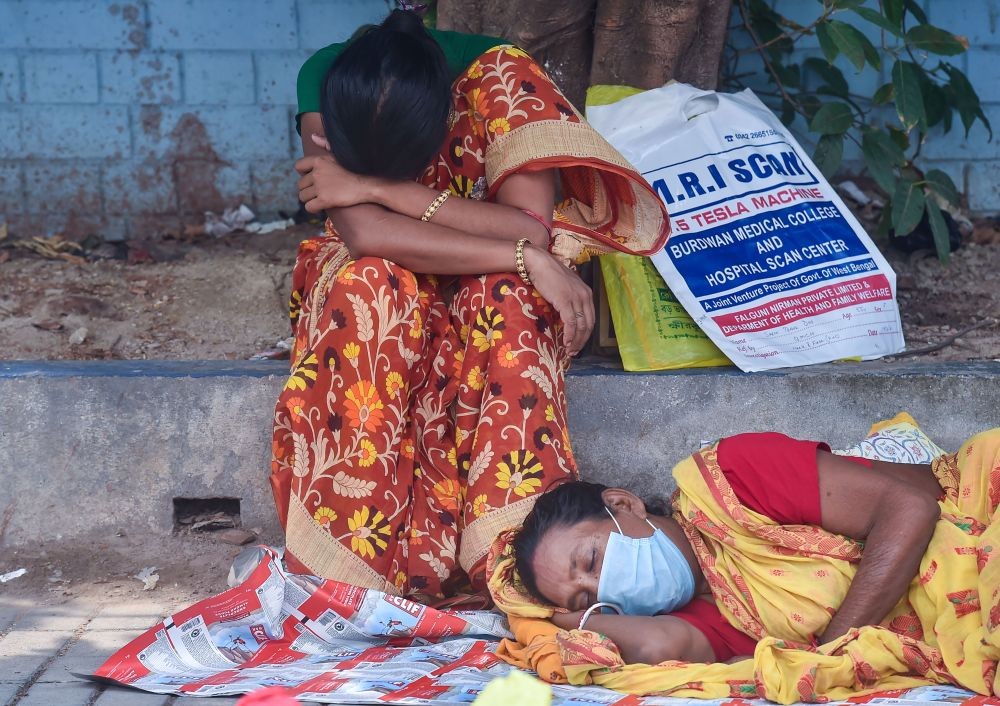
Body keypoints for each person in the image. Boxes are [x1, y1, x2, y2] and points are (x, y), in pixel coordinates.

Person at [270, 10, 669, 601]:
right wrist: (520, 254)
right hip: (387, 268)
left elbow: (528, 229)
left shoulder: (501, 77)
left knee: (506, 296)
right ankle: (358, 568)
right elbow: (365, 234)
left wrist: (383, 190)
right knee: (372, 284)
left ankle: (511, 557)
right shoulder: (326, 75)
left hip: (487, 272)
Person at [489, 429, 1000, 697]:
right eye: (587, 596)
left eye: (593, 558)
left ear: (624, 505)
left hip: (976, 510)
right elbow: (656, 646)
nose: (606, 585)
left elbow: (909, 510)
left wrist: (832, 650)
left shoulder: (730, 479)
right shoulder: (706, 615)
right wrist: (562, 619)